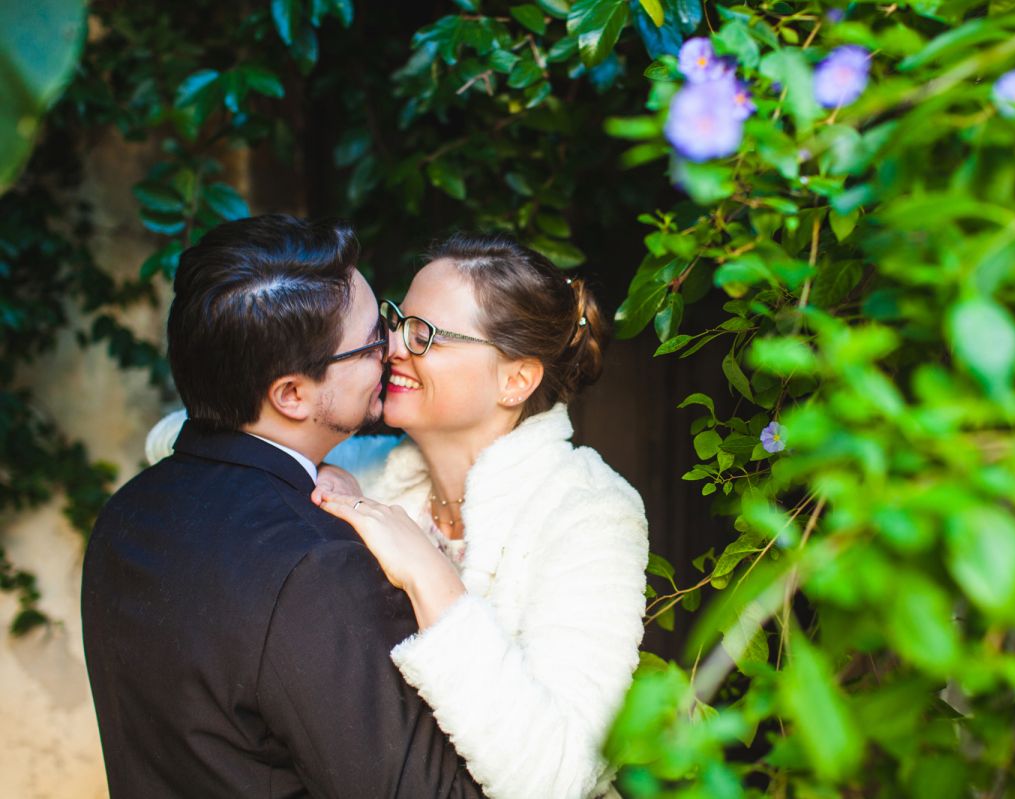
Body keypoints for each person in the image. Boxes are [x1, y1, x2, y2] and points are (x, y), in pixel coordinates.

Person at [82, 215, 484, 798]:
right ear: (292, 394)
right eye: (374, 342)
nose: (397, 351)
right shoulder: (317, 563)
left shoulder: (128, 513)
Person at [311, 234, 650, 799]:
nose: (392, 345)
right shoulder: (364, 473)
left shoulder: (590, 511)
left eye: (425, 335)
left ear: (515, 380)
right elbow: (192, 442)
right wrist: (305, 463)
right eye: (396, 322)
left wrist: (429, 576)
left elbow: (558, 777)